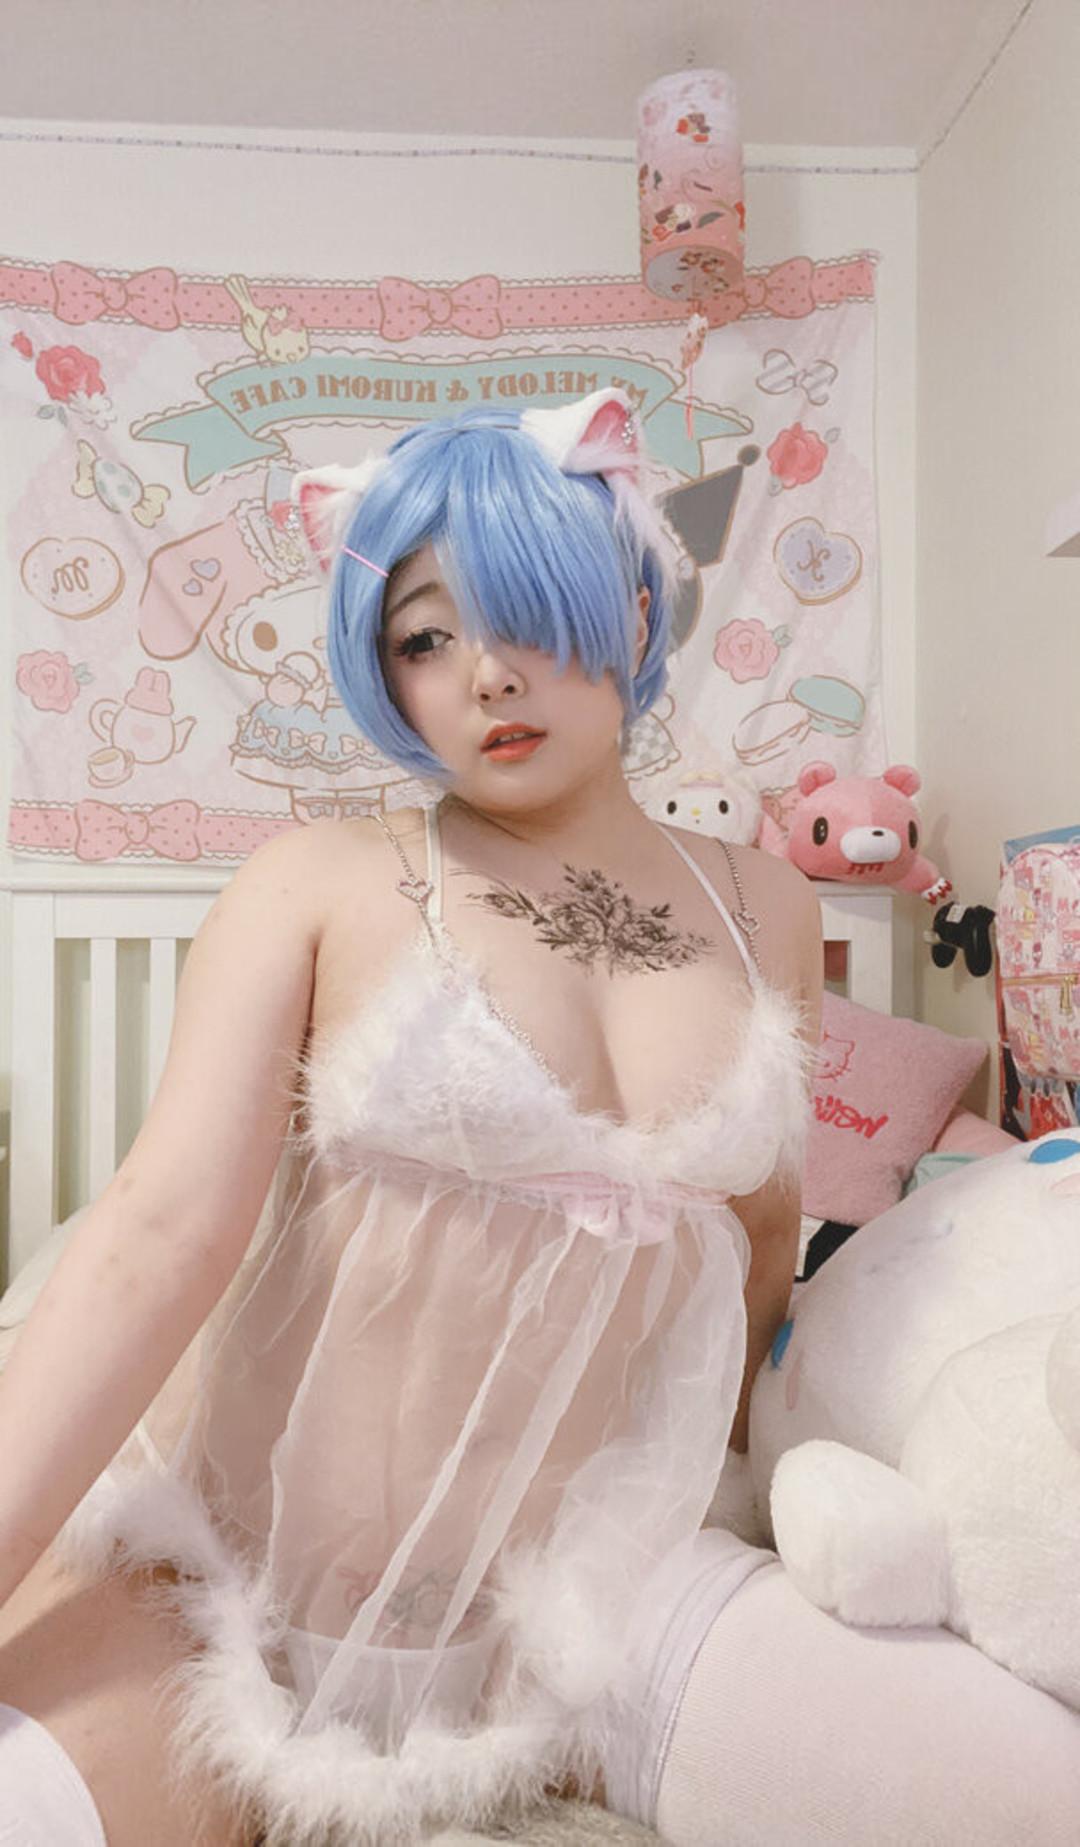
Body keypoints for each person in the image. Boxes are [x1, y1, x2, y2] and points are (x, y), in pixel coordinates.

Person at [0, 389, 1076, 1847]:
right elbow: (150, 1238)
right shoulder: (315, 882)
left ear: (632, 610)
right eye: (424, 639)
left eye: (527, 613)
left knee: (1034, 1795)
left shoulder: (767, 905)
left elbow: (762, 1243)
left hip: (606, 1602)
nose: (486, 674)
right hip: (245, 1592)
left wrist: (774, 1497)